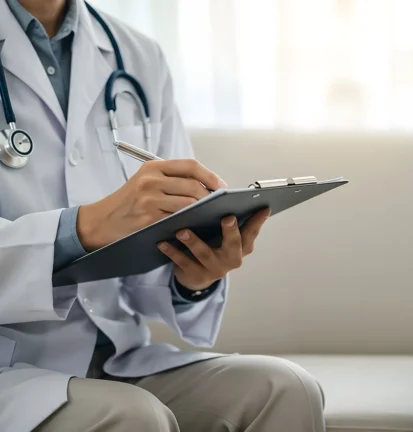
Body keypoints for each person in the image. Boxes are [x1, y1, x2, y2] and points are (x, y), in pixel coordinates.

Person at [0, 0, 325, 431]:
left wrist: (192, 274)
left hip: (118, 356)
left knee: (285, 389)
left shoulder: (136, 54)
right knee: (135, 417)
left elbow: (153, 253)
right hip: (12, 368)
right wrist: (83, 227)